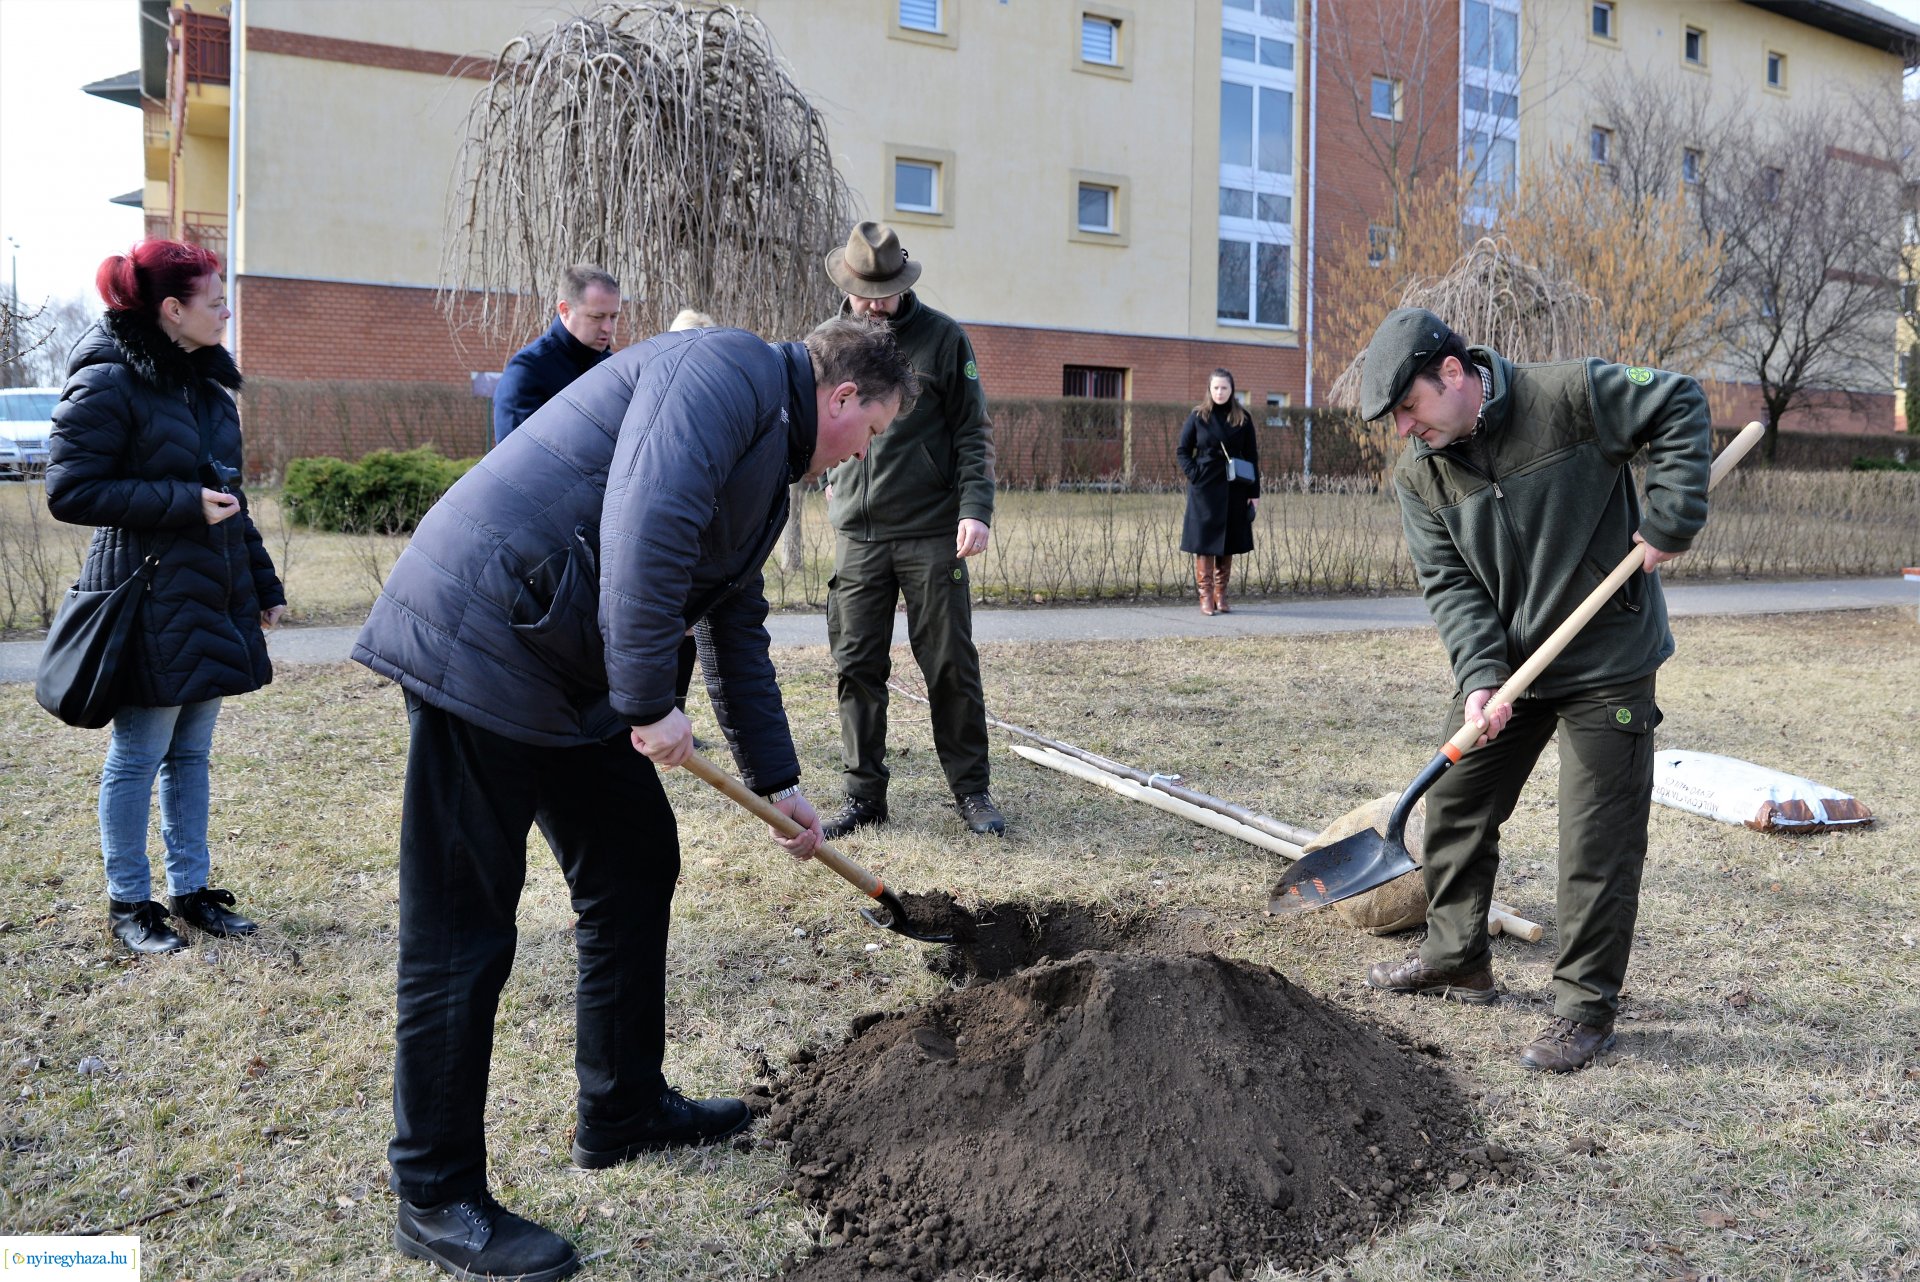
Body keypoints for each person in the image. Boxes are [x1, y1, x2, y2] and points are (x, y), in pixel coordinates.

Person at [354, 318, 914, 1281]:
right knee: (462, 928)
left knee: (634, 861)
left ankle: (622, 1106)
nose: (864, 453)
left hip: (562, 656)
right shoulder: (725, 373)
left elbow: (734, 622)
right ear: (844, 398)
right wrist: (650, 700)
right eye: (872, 432)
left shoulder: (766, 451)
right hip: (482, 636)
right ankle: (434, 1196)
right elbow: (644, 525)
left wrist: (780, 782)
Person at [1355, 306, 1712, 1074]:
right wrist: (1481, 678)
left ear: (1454, 373)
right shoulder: (1421, 474)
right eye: (1396, 419)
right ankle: (1457, 959)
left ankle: (1584, 1009)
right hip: (1515, 668)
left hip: (1609, 659)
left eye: (1410, 407)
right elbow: (1453, 588)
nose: (1405, 429)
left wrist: (1671, 515)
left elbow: (1679, 401)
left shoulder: (1571, 398)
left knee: (1595, 837)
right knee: (1456, 800)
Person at [45, 239, 287, 956]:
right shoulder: (108, 381)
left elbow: (230, 499)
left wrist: (263, 584)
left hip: (210, 592)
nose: (227, 312)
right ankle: (130, 903)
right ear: (172, 310)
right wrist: (182, 502)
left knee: (191, 755)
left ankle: (191, 891)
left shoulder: (208, 389)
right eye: (216, 302)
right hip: (146, 596)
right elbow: (70, 490)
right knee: (139, 755)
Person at [817, 221, 1003, 840]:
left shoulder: (944, 339)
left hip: (931, 532)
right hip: (858, 534)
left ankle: (971, 790)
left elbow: (973, 432)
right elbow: (811, 422)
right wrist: (826, 473)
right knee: (856, 665)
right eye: (864, 294)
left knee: (949, 663)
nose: (874, 305)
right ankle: (864, 796)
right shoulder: (828, 342)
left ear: (904, 282)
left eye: (885, 294)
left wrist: (975, 509)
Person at [490, 264, 622, 447]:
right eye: (596, 317)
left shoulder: (613, 369)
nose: (608, 327)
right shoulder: (527, 372)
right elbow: (515, 456)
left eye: (613, 317)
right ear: (565, 310)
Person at [1176, 368, 1260, 615]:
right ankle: (1205, 596)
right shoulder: (1198, 416)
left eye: (1224, 388)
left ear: (1232, 390)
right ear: (1209, 389)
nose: (1220, 392)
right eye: (1216, 388)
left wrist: (1254, 493)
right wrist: (1195, 474)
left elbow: (1252, 456)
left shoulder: (1243, 418)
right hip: (1204, 488)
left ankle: (1220, 595)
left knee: (1228, 541)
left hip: (1235, 486)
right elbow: (1182, 450)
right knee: (1204, 541)